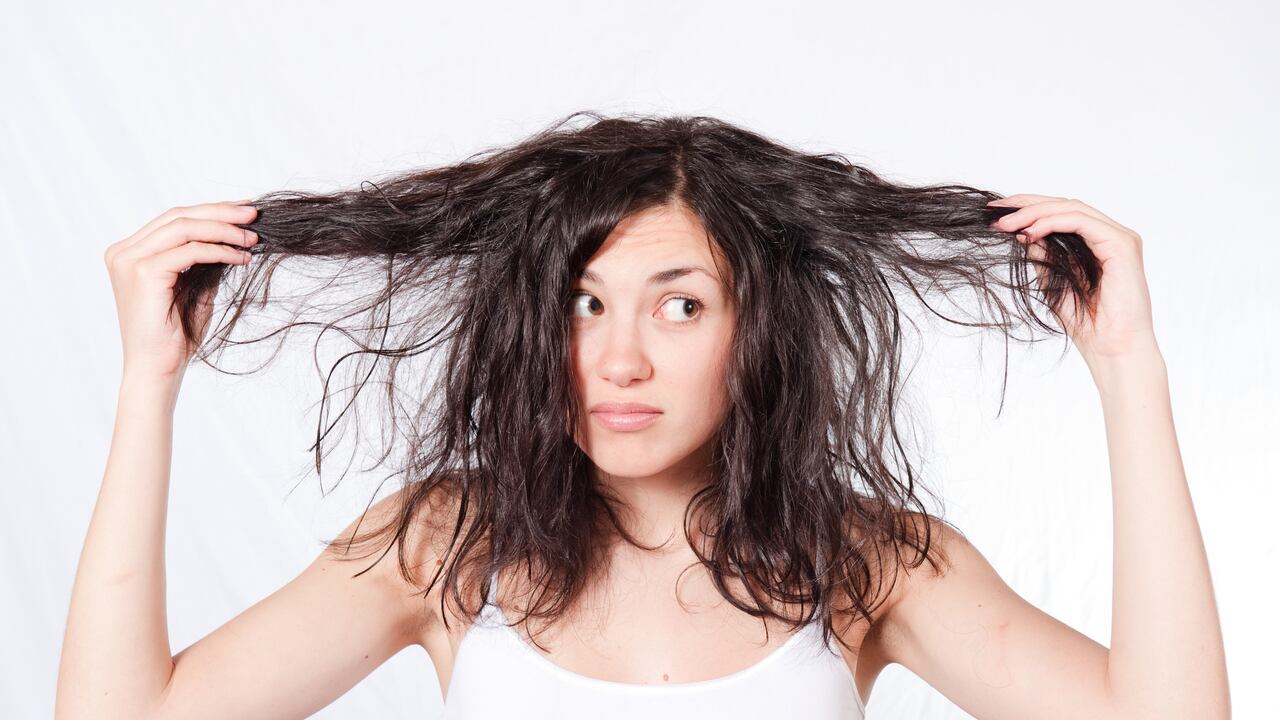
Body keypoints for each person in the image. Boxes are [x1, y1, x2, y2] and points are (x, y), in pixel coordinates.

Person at [56, 112, 1229, 719]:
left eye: (678, 304)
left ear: (751, 328)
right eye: (580, 302)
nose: (615, 357)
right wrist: (149, 386)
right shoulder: (445, 547)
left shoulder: (864, 561)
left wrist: (1127, 368)